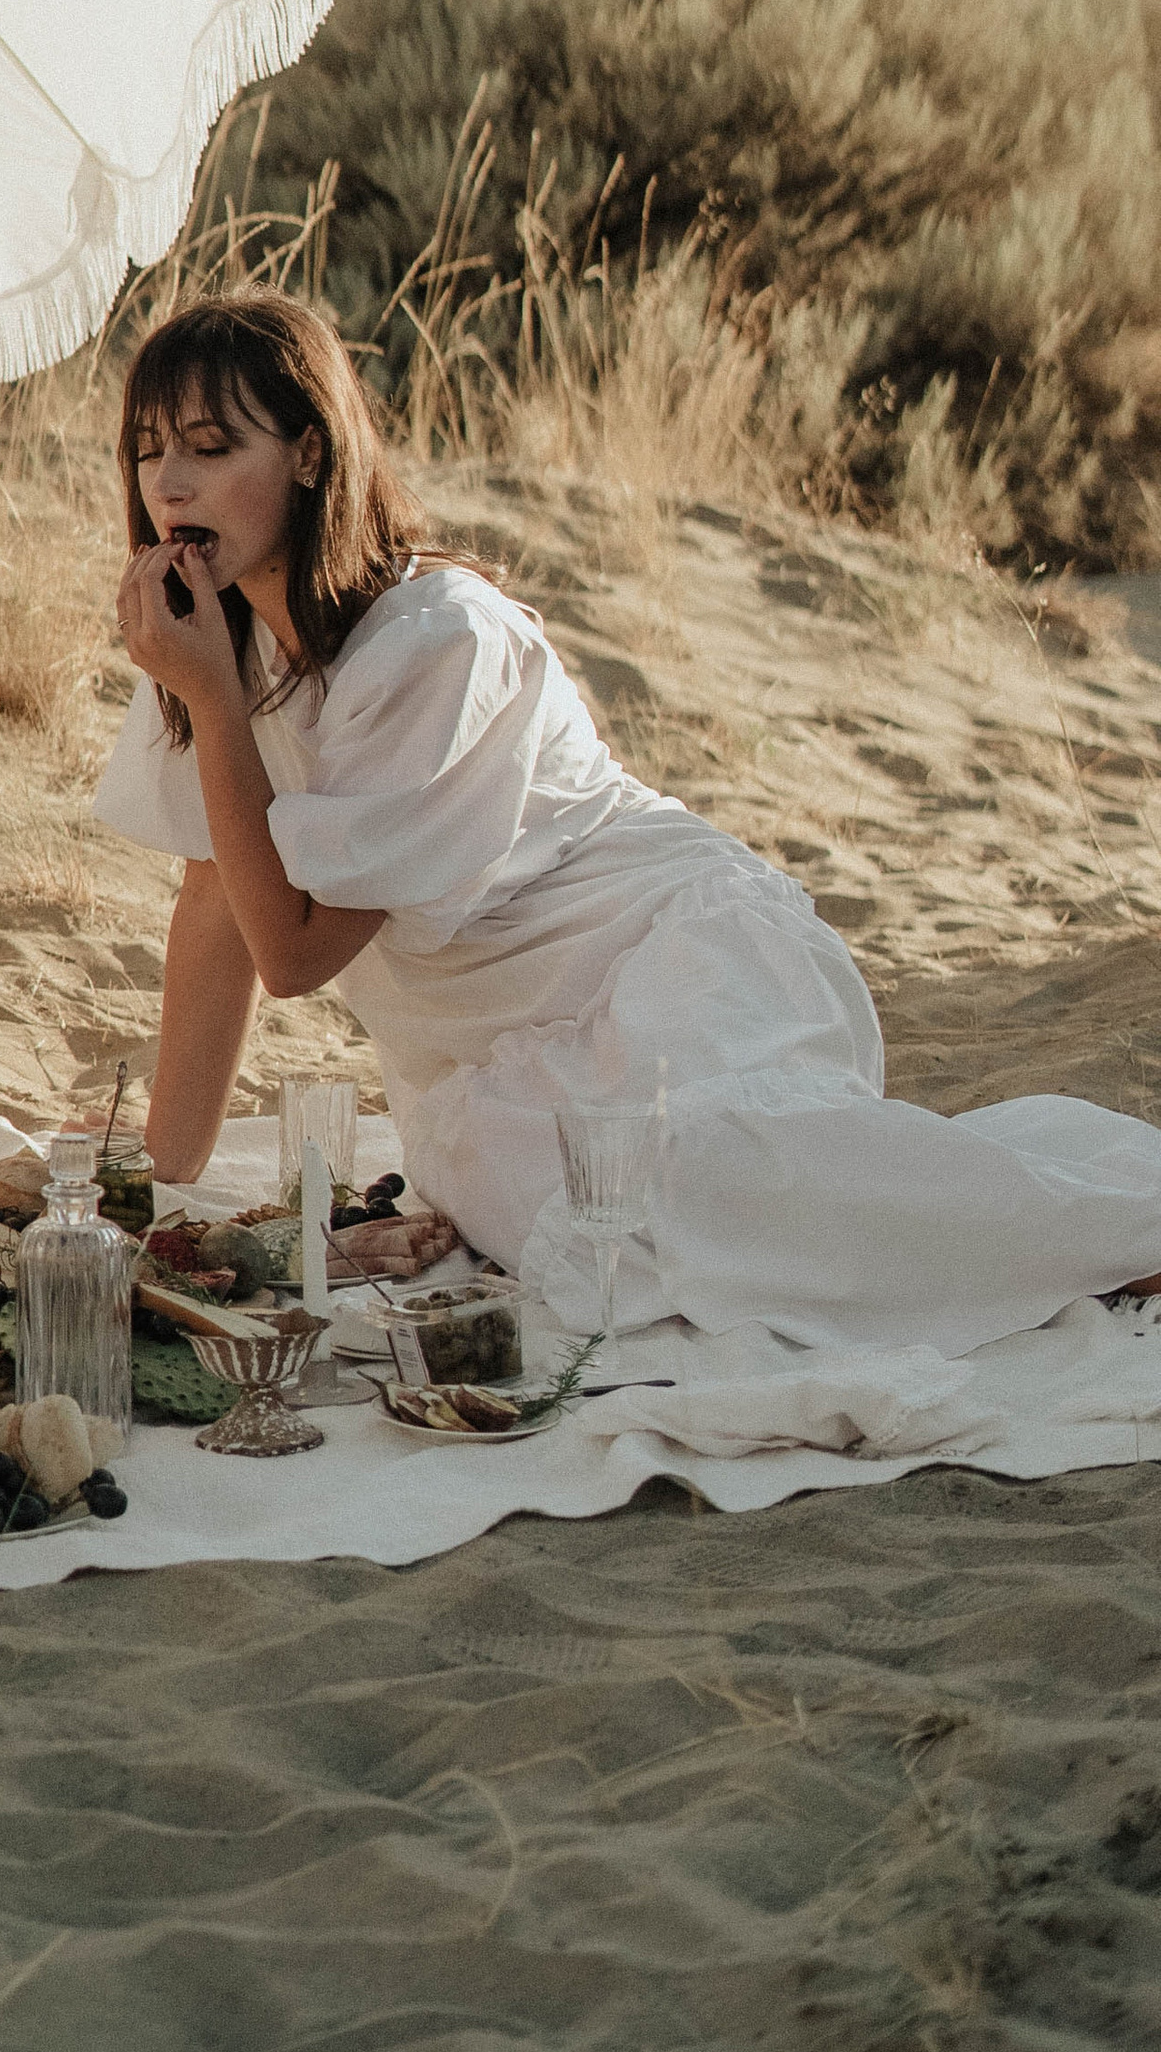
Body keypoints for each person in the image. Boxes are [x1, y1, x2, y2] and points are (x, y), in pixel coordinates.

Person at [96, 290, 1161, 1354]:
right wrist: (161, 1173)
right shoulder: (208, 644)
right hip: (505, 1055)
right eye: (148, 452)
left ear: (311, 455)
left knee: (713, 1195)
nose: (169, 484)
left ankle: (1119, 1232)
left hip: (673, 956)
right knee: (594, 1235)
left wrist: (214, 701)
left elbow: (292, 953)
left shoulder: (436, 640)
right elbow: (215, 898)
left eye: (210, 447)